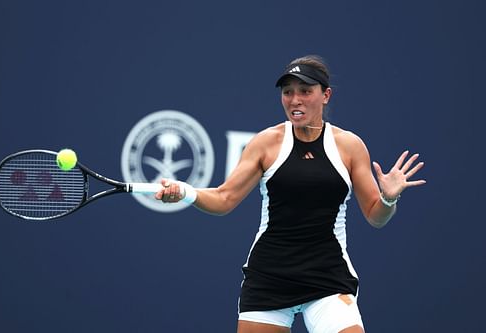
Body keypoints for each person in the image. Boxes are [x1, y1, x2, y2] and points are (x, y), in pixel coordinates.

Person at [154, 55, 426, 333]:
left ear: (325, 95)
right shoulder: (265, 143)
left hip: (328, 279)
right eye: (288, 92)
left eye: (305, 91)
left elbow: (375, 216)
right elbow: (224, 198)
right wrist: (186, 192)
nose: (295, 100)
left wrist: (388, 198)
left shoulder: (349, 146)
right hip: (269, 278)